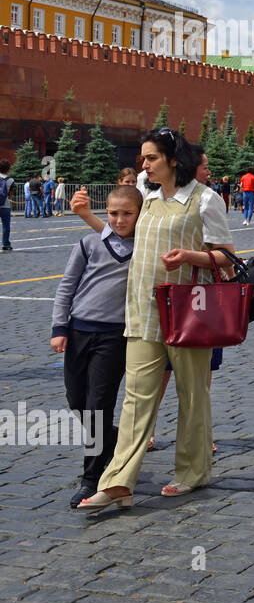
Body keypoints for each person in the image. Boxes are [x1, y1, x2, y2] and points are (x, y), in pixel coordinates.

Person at [77, 128, 235, 512]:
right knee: (136, 398)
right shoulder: (146, 198)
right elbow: (119, 239)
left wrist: (189, 257)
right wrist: (87, 217)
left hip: (186, 312)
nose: (143, 165)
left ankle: (193, 471)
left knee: (192, 395)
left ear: (172, 160)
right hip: (143, 312)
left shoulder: (204, 199)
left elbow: (228, 258)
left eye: (150, 158)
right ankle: (117, 482)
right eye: (142, 159)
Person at [51, 184, 142, 507]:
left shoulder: (142, 248)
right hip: (78, 332)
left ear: (139, 216)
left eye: (127, 214)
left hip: (114, 337)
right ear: (107, 213)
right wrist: (59, 327)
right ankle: (116, 440)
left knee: (98, 405)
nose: (119, 220)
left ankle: (92, 479)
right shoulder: (89, 244)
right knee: (77, 401)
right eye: (114, 213)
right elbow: (66, 287)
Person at [0, 160, 12, 251]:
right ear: (8, 169)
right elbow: (10, 195)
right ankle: (5, 244)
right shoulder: (11, 180)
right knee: (5, 225)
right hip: (5, 205)